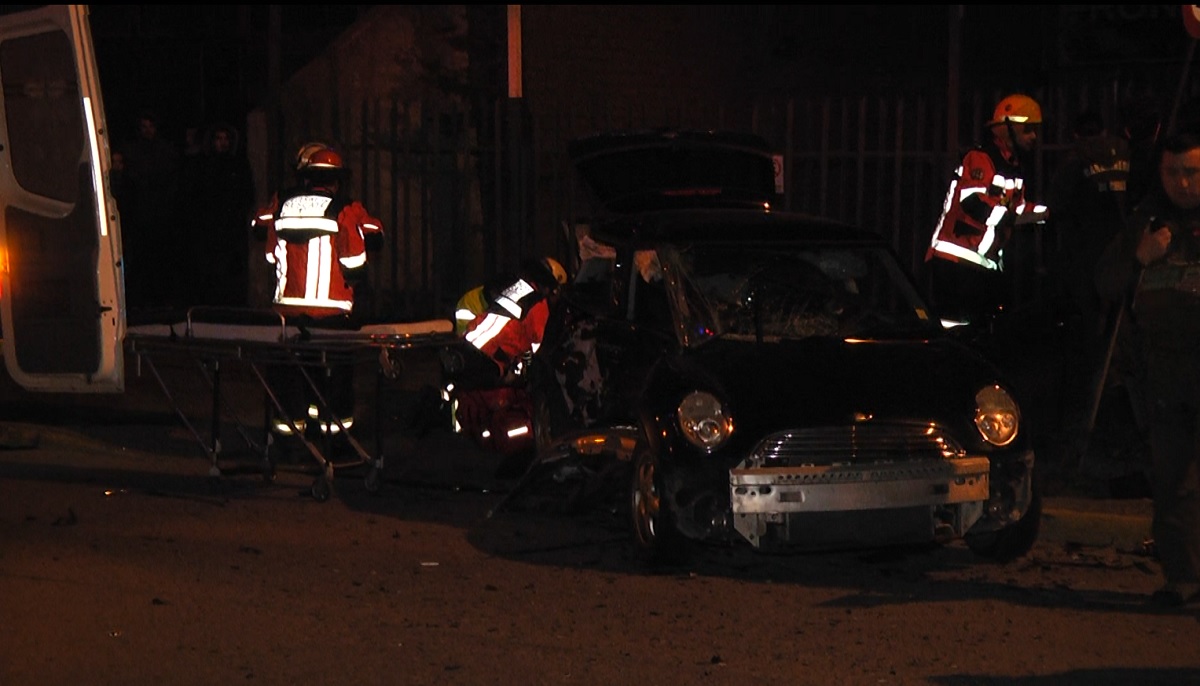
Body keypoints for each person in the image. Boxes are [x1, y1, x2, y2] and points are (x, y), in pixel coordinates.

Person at [1095, 131, 1200, 608]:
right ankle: (1182, 578)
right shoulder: (1147, 219)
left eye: (1192, 172)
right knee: (1172, 482)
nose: (1181, 182)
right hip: (1164, 380)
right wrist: (1139, 257)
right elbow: (1106, 281)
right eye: (1171, 172)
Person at [250, 142, 383, 440]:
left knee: (289, 377)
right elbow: (355, 260)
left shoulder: (280, 203)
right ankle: (333, 441)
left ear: (304, 176)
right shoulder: (345, 208)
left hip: (286, 313)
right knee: (333, 379)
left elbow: (269, 251)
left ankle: (287, 440)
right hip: (333, 314)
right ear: (336, 179)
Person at [1044, 109, 1132, 458]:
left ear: (1076, 134)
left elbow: (1056, 206)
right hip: (1123, 253)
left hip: (1085, 259)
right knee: (1117, 335)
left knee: (1086, 341)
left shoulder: (1075, 160)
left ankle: (1082, 428)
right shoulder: (1125, 153)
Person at [924, 93, 1050, 327]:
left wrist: (1046, 214)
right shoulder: (981, 158)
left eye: (1035, 130)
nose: (1034, 137)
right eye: (1028, 130)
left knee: (979, 331)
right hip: (956, 262)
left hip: (981, 264)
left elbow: (1016, 207)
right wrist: (1012, 217)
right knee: (954, 331)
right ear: (1006, 128)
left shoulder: (1014, 165)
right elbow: (974, 204)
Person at [182, 122, 256, 307]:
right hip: (209, 227)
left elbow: (247, 194)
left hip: (231, 226)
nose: (222, 143)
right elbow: (196, 195)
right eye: (218, 138)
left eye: (226, 139)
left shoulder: (238, 165)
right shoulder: (204, 165)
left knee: (230, 270)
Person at [118, 109, 181, 310]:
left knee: (161, 259)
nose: (147, 131)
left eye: (150, 126)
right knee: (141, 261)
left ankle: (161, 299)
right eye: (143, 127)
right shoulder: (132, 152)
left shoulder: (165, 152)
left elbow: (172, 181)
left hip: (161, 216)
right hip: (139, 215)